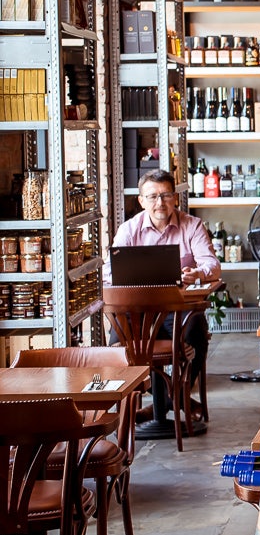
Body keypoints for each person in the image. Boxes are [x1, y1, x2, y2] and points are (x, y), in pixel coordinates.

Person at [105, 169, 221, 417]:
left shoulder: (192, 226)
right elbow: (108, 273)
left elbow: (212, 265)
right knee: (115, 340)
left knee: (197, 331)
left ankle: (173, 396)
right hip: (138, 313)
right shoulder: (129, 230)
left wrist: (197, 273)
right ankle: (131, 403)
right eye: (153, 196)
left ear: (175, 197)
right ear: (141, 200)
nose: (160, 203)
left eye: (166, 195)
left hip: (178, 310)